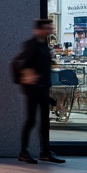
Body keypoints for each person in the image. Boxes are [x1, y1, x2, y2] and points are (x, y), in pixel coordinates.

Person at [17, 19, 66, 165]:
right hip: (33, 89)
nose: (50, 30)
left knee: (44, 121)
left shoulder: (44, 44)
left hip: (43, 88)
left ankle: (45, 151)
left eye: (50, 27)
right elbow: (24, 64)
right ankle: (23, 152)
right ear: (39, 29)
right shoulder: (32, 44)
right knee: (31, 120)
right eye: (47, 28)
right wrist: (30, 75)